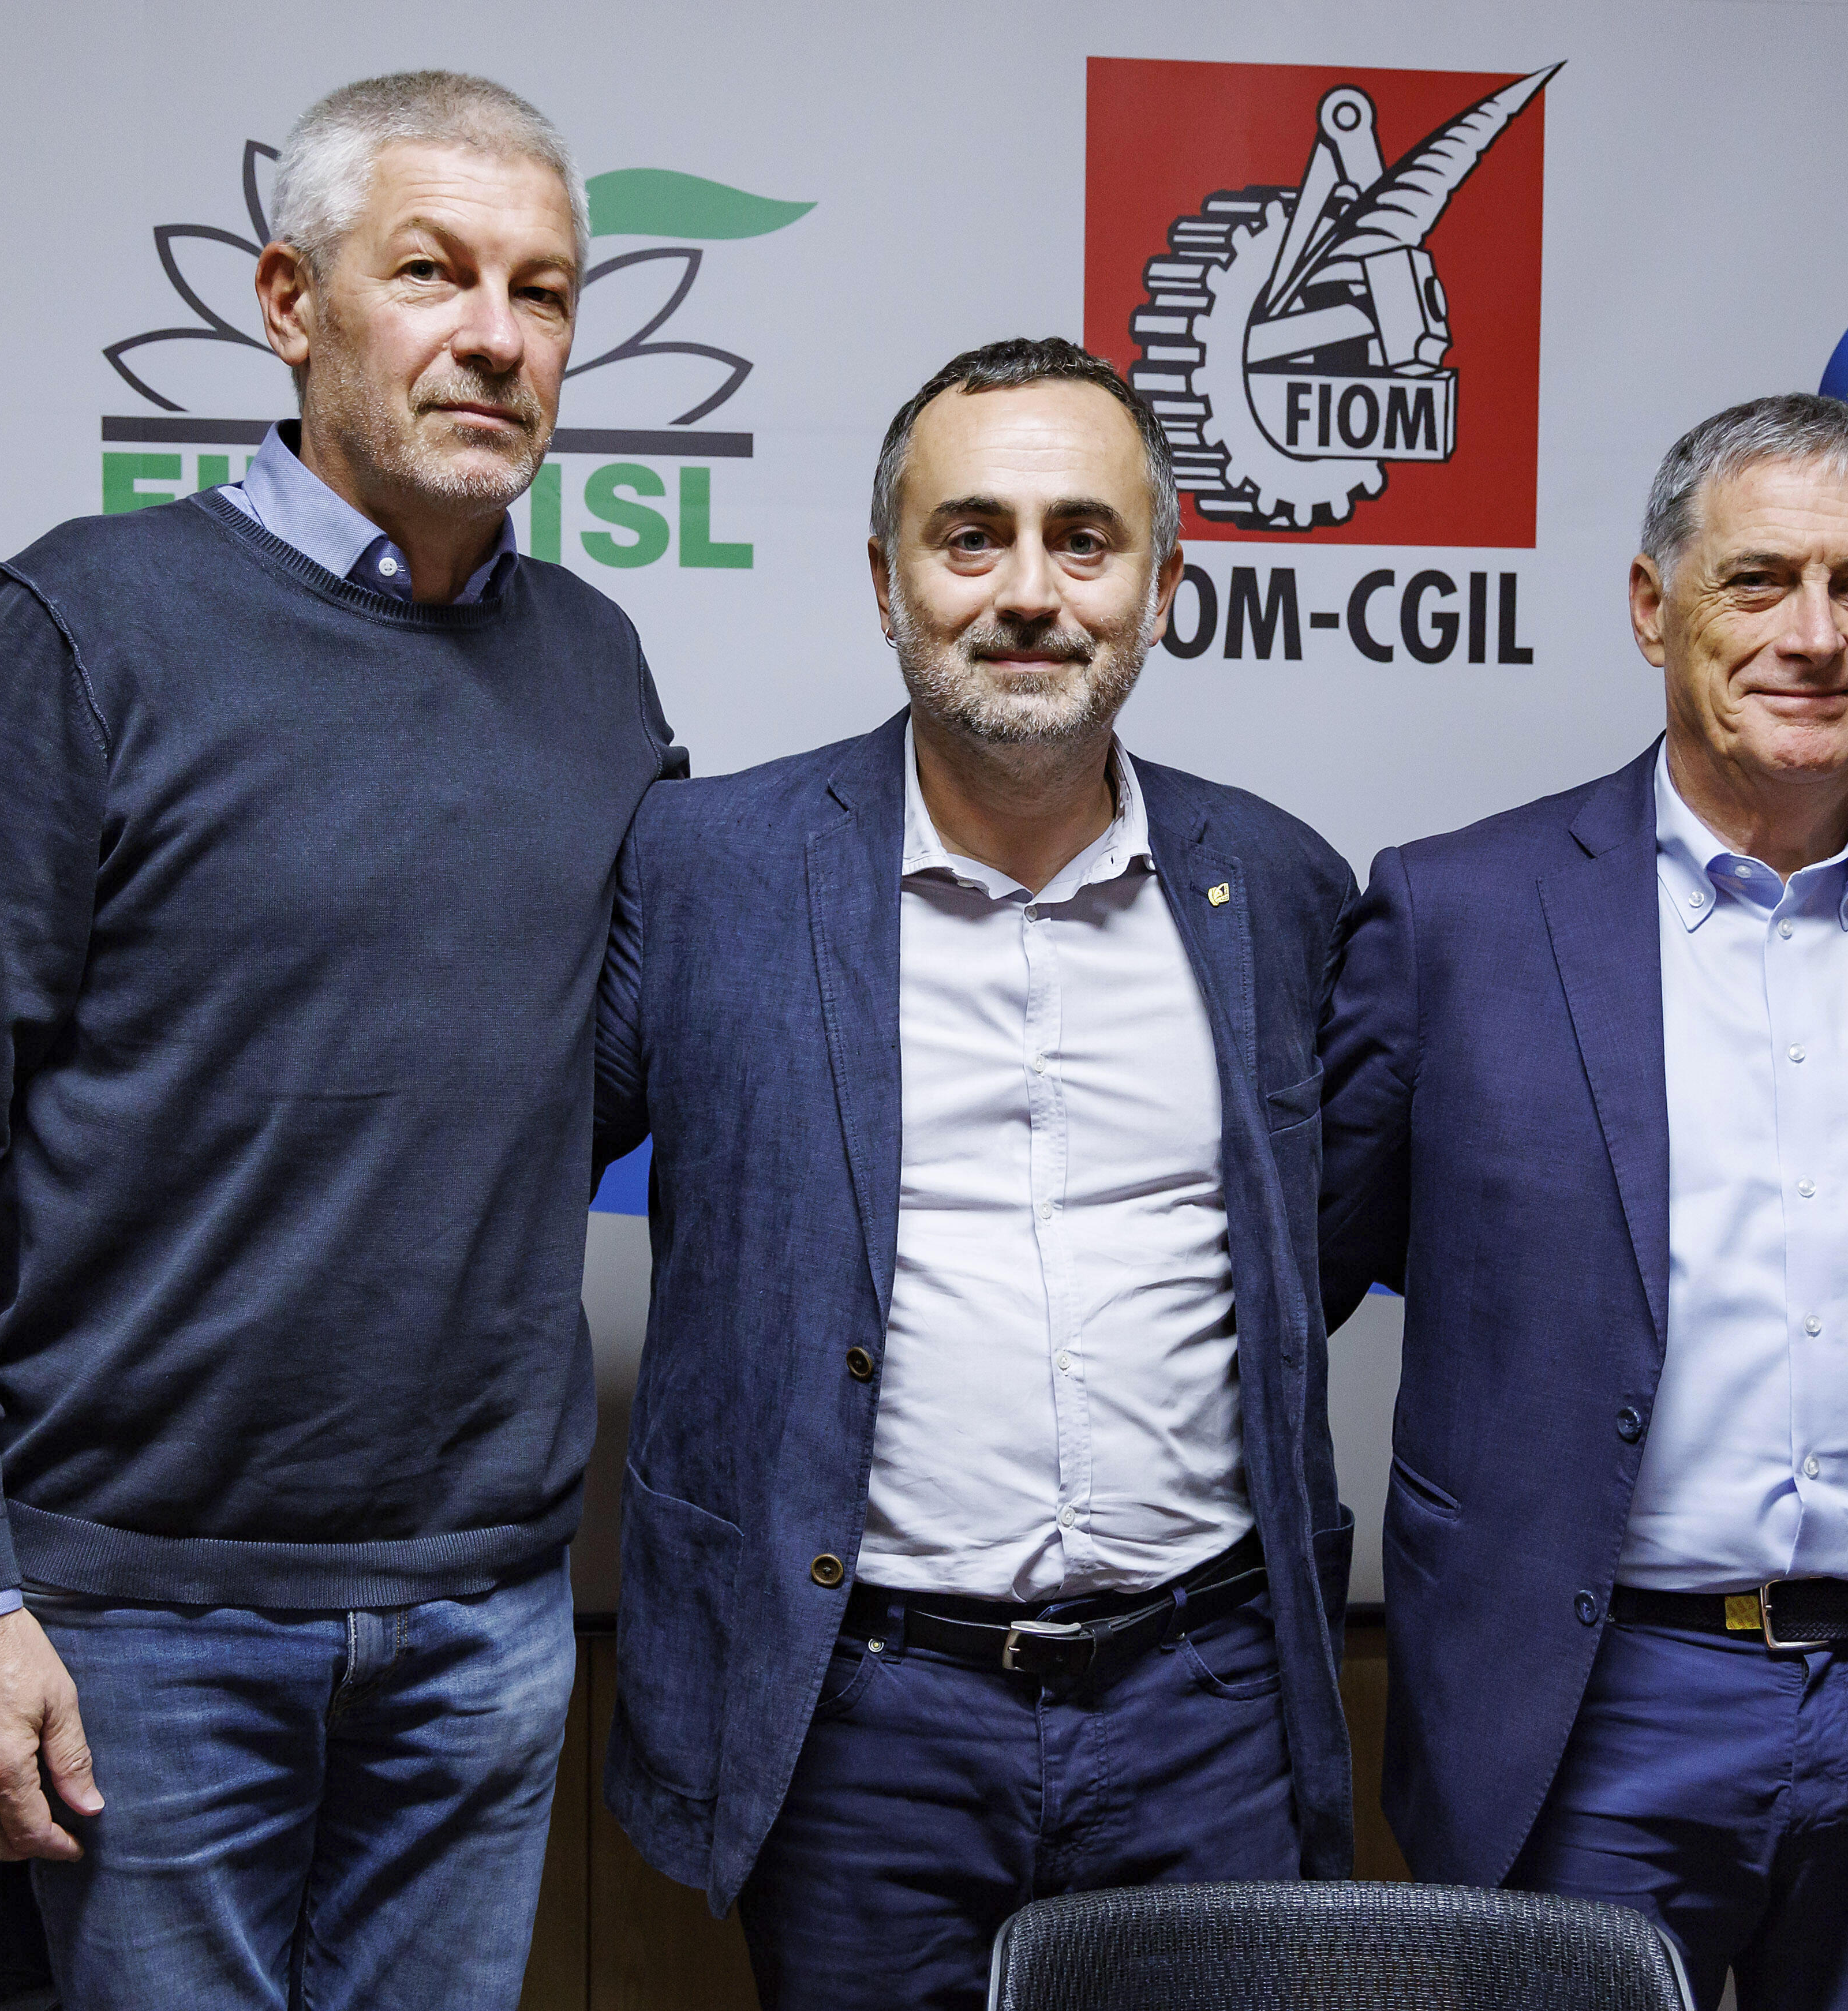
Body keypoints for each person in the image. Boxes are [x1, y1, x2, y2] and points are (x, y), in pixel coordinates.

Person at [0, 71, 682, 2009]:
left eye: (542, 294)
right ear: (291, 304)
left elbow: (584, 1072)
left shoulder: (599, 664)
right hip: (137, 1621)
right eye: (432, 272)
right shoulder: (87, 627)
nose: (495, 334)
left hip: (486, 1613)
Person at [1319, 393, 1848, 2010]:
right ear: (1653, 607)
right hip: (1589, 1702)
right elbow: (1292, 1267)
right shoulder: (1457, 914)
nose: (1814, 635)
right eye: (1757, 582)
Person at [590, 338, 1359, 2010]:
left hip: (1203, 1705)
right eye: (970, 538)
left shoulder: (1281, 886)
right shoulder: (708, 873)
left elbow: (1340, 1236)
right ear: (886, 580)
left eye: (1083, 540)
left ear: (1162, 580)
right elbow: (474, 1174)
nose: (1028, 592)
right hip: (858, 1710)